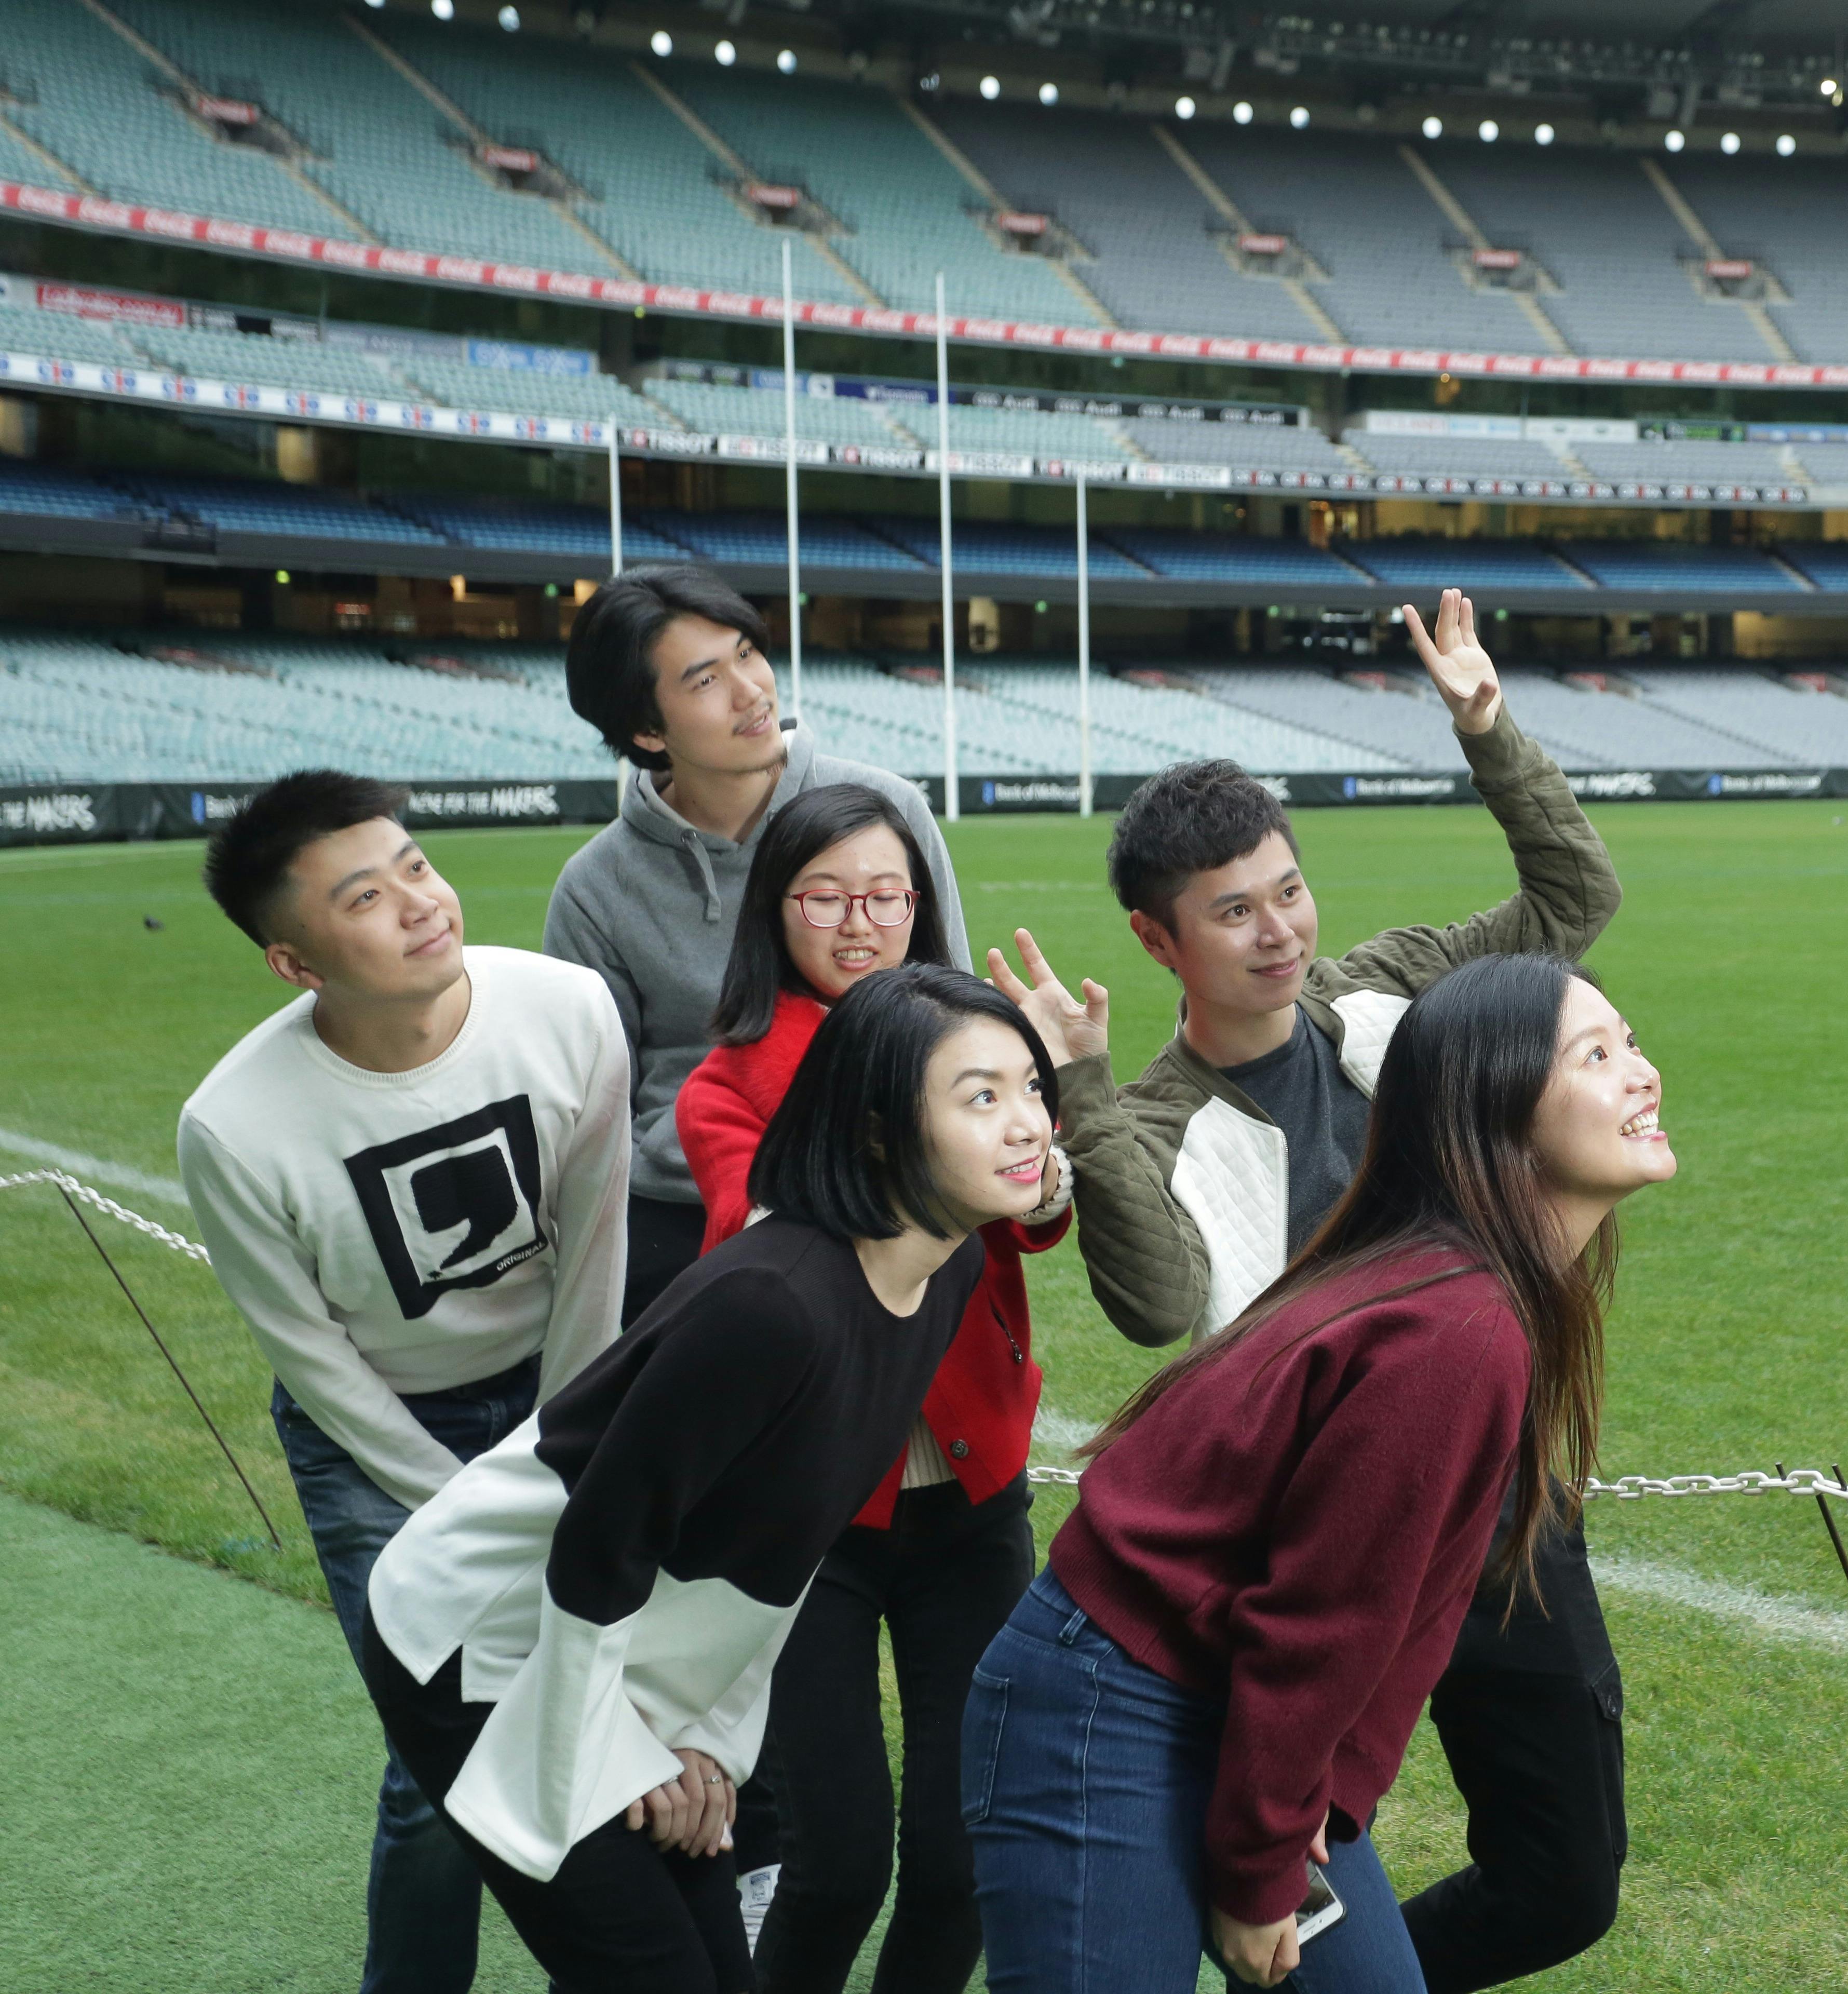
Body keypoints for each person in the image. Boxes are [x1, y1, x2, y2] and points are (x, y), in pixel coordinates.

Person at [993, 589, 1630, 1991]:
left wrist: (1485, 722)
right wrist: (1089, 1099)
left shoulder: (1391, 992)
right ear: (1163, 944)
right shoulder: (1149, 1121)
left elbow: (1576, 904)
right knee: (1296, 1846)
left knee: (1569, 1877)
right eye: (1232, 911)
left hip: (1492, 1510)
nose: (1277, 931)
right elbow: (1157, 1306)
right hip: (1314, 1546)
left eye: (1286, 890)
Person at [965, 952, 1675, 1993]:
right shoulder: (1457, 1328)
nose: (1643, 1073)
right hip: (1106, 1698)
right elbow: (1325, 1625)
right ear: (1499, 1109)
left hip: (1225, 1704)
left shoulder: (1475, 1293)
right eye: (1598, 1055)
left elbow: (1404, 1623)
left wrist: (1317, 1821)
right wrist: (1262, 1876)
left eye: (1633, 1043)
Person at [358, 965, 1063, 1994]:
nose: (1029, 1125)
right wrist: (621, 1750)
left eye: (1033, 1087)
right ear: (876, 1129)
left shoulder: (945, 1270)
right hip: (481, 1642)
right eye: (982, 1097)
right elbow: (600, 1545)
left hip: (617, 1641)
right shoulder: (772, 1308)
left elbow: (777, 1551)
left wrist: (702, 1742)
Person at [177, 769, 631, 1994]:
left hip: (561, 1390)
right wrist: (462, 1498)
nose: (421, 903)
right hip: (377, 1436)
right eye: (365, 898)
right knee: (437, 1766)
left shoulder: (570, 1009)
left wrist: (562, 1452)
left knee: (604, 1693)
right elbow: (311, 1356)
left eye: (415, 866)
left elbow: (595, 1254)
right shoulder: (233, 1126)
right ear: (295, 961)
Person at [673, 784, 1072, 1993]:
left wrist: (1045, 1120)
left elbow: (1040, 1220)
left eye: (888, 895)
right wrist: (957, 1128)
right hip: (812, 1521)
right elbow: (768, 1247)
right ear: (773, 909)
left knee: (965, 1861)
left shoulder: (979, 1043)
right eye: (826, 896)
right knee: (838, 1862)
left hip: (972, 1504)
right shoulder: (728, 1081)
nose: (861, 921)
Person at [545, 562, 967, 1331]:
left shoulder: (886, 810)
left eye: (747, 652)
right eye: (706, 679)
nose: (751, 691)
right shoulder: (595, 887)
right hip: (688, 1228)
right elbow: (596, 1115)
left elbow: (951, 1004)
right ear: (647, 730)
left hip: (889, 1192)